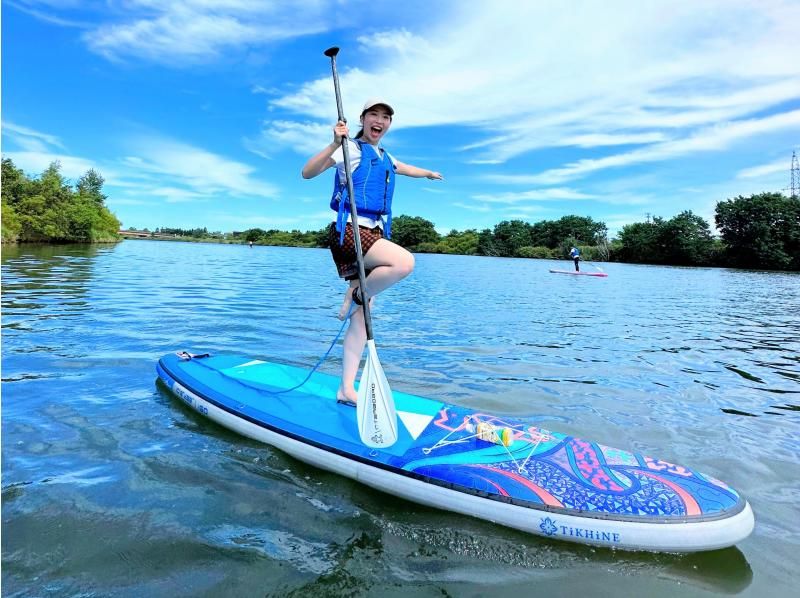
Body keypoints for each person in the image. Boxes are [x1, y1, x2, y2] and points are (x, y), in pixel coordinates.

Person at [301, 98, 443, 405]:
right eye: (374, 115)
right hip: (349, 231)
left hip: (374, 233)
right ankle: (355, 295)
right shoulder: (349, 149)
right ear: (363, 119)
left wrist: (429, 173)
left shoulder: (386, 156)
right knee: (404, 262)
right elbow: (307, 173)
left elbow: (406, 169)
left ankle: (346, 388)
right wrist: (332, 144)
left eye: (386, 117)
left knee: (362, 320)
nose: (380, 120)